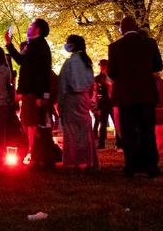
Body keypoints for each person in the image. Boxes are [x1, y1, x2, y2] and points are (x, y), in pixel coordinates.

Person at [107, 17, 163, 178]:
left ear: (122, 29)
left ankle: (131, 166)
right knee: (148, 131)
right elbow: (158, 66)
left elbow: (112, 72)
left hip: (125, 96)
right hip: (146, 94)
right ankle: (151, 167)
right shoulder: (150, 44)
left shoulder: (115, 47)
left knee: (128, 132)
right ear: (137, 27)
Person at [7, 19, 53, 161]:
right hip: (30, 91)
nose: (29, 28)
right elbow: (20, 60)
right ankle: (33, 153)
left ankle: (36, 155)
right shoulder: (32, 45)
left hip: (33, 92)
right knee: (28, 123)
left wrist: (40, 94)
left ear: (37, 29)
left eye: (31, 26)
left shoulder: (40, 46)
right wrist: (9, 44)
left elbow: (42, 71)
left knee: (33, 124)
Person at [58, 35, 98, 170]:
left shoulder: (70, 63)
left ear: (73, 45)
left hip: (72, 97)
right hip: (84, 97)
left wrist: (61, 103)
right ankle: (88, 160)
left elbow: (63, 84)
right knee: (85, 130)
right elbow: (91, 83)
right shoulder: (87, 62)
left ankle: (74, 160)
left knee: (71, 131)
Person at [93, 59, 115, 150]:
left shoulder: (109, 76)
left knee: (108, 122)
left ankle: (103, 143)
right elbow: (95, 91)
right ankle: (102, 143)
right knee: (103, 123)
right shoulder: (98, 78)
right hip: (104, 102)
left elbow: (110, 90)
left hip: (107, 101)